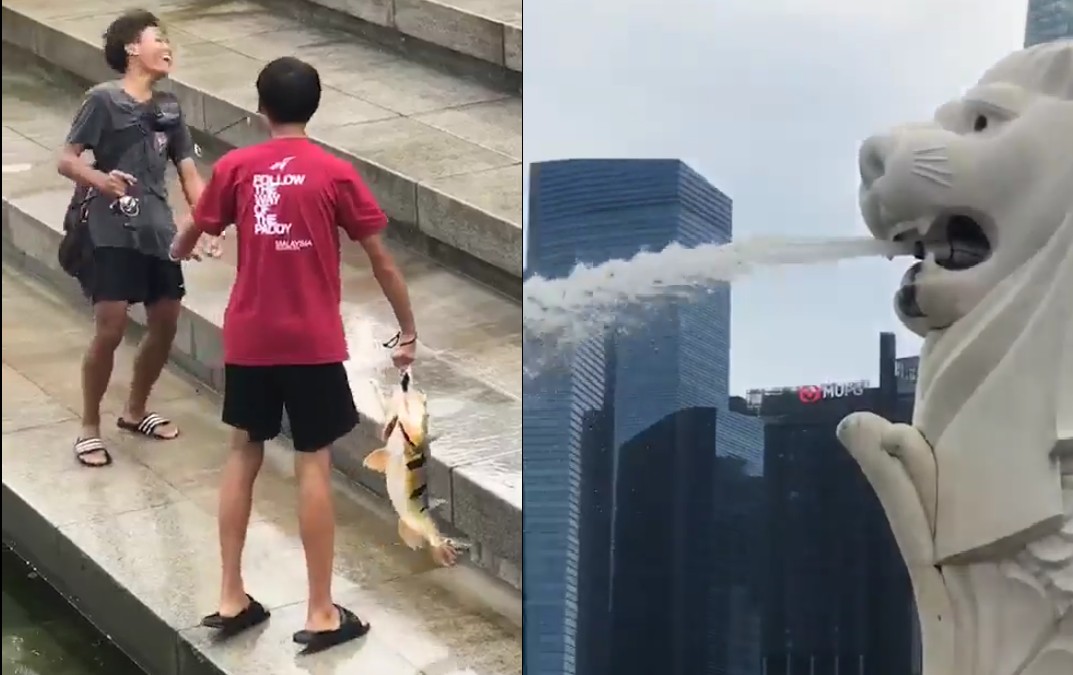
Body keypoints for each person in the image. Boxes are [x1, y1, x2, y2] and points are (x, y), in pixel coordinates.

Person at [170, 56, 418, 652]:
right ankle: (320, 610)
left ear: (261, 106)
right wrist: (407, 328)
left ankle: (231, 596)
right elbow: (382, 260)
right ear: (316, 104)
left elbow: (192, 231)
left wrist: (180, 248)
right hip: (310, 344)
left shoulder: (236, 167)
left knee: (242, 452)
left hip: (251, 338)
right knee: (313, 461)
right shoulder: (334, 174)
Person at [57, 10, 219, 468]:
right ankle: (89, 426)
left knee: (166, 322)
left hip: (157, 231)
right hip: (109, 229)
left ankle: (134, 410)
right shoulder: (102, 100)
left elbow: (188, 171)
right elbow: (66, 159)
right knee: (109, 326)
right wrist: (99, 179)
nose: (167, 45)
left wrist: (206, 223)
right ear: (132, 48)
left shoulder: (169, 106)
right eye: (157, 38)